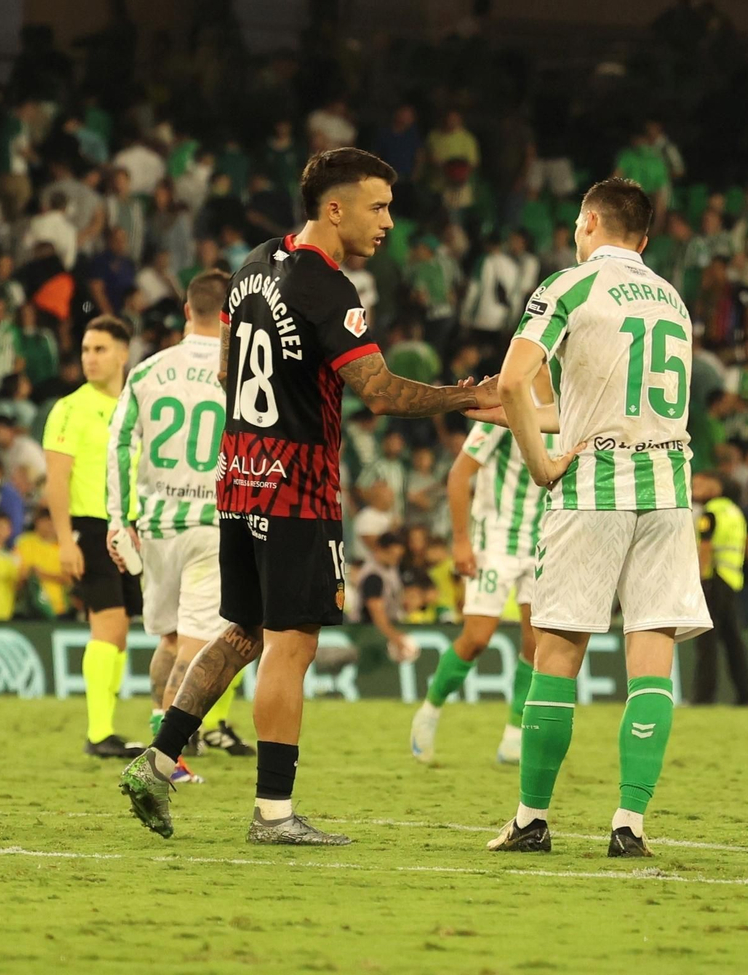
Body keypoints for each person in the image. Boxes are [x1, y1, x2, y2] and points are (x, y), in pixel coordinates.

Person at [120, 148, 498, 845]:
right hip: (297, 489)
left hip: (239, 476)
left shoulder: (253, 264)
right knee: (289, 647)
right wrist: (468, 394)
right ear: (336, 208)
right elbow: (380, 392)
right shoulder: (327, 288)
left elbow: (234, 366)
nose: (388, 221)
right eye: (378, 205)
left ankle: (157, 758)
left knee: (241, 633)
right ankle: (273, 813)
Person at [474, 177, 711, 859]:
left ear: (589, 223)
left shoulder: (569, 286)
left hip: (592, 489)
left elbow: (516, 379)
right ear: (644, 239)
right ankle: (630, 825)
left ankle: (531, 819)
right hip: (667, 490)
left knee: (557, 654)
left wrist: (542, 462)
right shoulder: (672, 300)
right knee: (651, 663)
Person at [106, 270, 250, 783]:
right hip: (212, 526)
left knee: (168, 643)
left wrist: (118, 519)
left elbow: (119, 443)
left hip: (157, 528)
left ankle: (155, 737)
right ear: (230, 315)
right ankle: (167, 759)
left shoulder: (147, 372)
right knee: (193, 647)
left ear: (187, 311)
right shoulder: (239, 373)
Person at [409, 411, 557, 766]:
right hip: (495, 542)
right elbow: (460, 473)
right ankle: (429, 711)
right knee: (476, 638)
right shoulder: (505, 408)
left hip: (543, 541)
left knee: (536, 643)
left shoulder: (569, 405)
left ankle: (513, 736)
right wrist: (461, 541)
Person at [44, 315, 143, 759]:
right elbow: (56, 481)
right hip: (91, 526)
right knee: (107, 624)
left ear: (124, 354)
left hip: (132, 529)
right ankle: (98, 732)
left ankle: (106, 728)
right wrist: (65, 540)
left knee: (120, 632)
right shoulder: (69, 408)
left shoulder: (136, 405)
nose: (90, 358)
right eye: (85, 349)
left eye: (100, 349)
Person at [691, 470, 748, 705]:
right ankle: (745, 695)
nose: (694, 487)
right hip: (731, 579)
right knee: (732, 641)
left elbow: (705, 547)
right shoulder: (735, 511)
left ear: (716, 486)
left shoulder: (711, 512)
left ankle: (703, 697)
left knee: (706, 641)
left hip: (713, 579)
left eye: (700, 483)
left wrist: (701, 578)